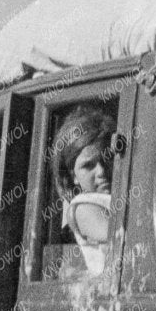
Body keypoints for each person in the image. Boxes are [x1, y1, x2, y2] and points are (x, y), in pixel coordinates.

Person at [54, 107, 115, 274]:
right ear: (73, 176)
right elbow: (125, 237)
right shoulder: (82, 208)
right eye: (88, 166)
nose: (101, 171)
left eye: (107, 158)